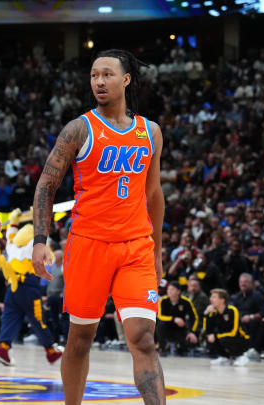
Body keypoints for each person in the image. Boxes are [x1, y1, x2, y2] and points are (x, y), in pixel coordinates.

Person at [31, 49, 166, 404]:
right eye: (94, 75)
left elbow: (153, 196)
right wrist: (39, 240)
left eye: (107, 74)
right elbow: (46, 185)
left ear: (126, 79)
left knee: (143, 339)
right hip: (89, 244)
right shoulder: (79, 128)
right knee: (79, 340)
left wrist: (157, 250)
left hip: (136, 246)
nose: (99, 82)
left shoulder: (150, 132)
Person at [0, 216, 63, 367]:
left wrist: (14, 222)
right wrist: (40, 219)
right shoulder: (32, 245)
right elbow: (43, 239)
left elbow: (10, 235)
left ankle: (3, 349)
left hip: (13, 287)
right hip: (29, 286)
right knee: (38, 319)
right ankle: (51, 350)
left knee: (10, 318)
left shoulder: (11, 247)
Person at [204, 289, 250, 366]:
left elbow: (234, 332)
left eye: (214, 297)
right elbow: (208, 330)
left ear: (222, 300)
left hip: (241, 338)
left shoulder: (232, 310)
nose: (211, 299)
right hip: (224, 336)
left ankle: (241, 356)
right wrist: (207, 314)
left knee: (223, 338)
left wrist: (217, 336)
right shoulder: (213, 312)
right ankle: (225, 357)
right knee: (209, 337)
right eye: (211, 297)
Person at [156, 282, 199, 355]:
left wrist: (192, 332)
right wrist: (174, 319)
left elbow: (195, 317)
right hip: (167, 328)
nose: (169, 291)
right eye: (168, 289)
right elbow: (160, 316)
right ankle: (162, 348)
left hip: (181, 328)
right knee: (160, 324)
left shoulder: (186, 302)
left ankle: (180, 346)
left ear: (178, 292)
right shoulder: (163, 300)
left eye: (172, 289)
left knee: (185, 348)